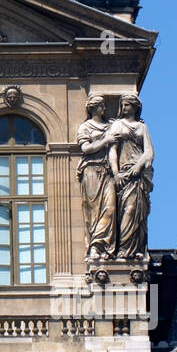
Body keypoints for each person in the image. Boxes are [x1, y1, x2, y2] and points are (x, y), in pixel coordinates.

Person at [108, 94, 154, 261]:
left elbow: (148, 151)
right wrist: (115, 173)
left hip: (137, 175)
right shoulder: (117, 125)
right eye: (123, 105)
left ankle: (131, 249)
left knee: (135, 211)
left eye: (127, 105)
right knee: (125, 211)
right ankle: (123, 249)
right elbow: (112, 151)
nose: (124, 108)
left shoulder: (142, 128)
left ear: (135, 107)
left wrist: (138, 166)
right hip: (123, 175)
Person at [76, 94, 117, 260]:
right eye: (101, 106)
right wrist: (105, 140)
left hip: (107, 171)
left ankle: (103, 245)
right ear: (94, 108)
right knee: (94, 212)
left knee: (110, 208)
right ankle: (95, 247)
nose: (104, 109)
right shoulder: (85, 127)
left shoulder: (110, 126)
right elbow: (85, 148)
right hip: (91, 171)